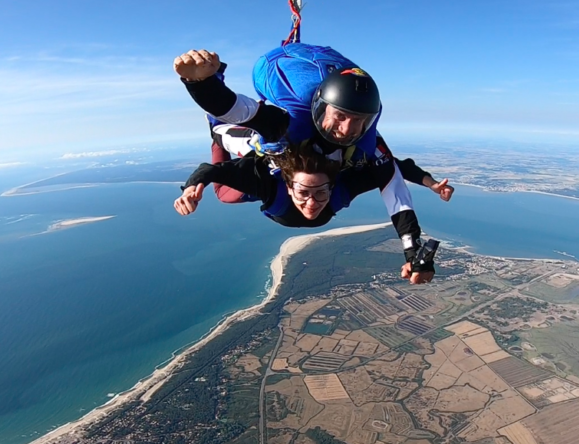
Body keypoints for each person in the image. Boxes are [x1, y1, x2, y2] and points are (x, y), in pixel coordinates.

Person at [174, 47, 454, 202]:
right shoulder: (287, 123)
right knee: (225, 187)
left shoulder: (362, 139)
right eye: (341, 117)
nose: (347, 130)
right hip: (267, 144)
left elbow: (391, 166)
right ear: (321, 109)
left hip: (297, 160)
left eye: (358, 122)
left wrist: (427, 181)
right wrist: (203, 83)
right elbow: (236, 109)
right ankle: (214, 126)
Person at [173, 143, 435, 284]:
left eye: (321, 193)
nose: (311, 202)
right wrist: (191, 189)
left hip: (288, 190)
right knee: (224, 195)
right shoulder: (266, 184)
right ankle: (217, 133)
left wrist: (428, 181)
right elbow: (212, 170)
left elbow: (389, 170)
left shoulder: (343, 188)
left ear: (331, 187)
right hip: (266, 178)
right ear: (289, 188)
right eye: (303, 193)